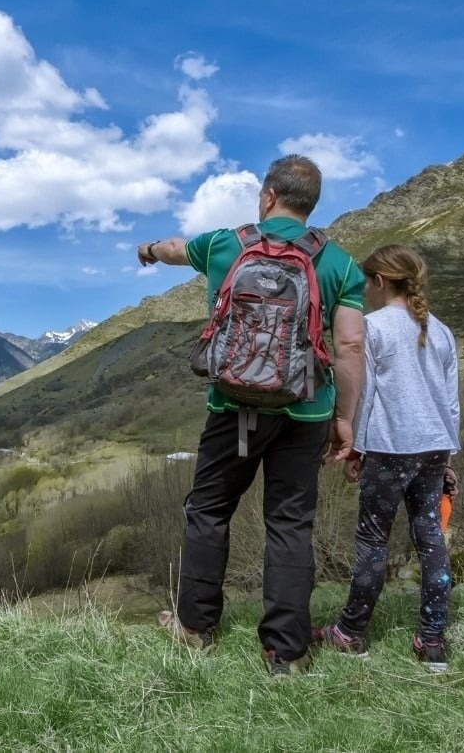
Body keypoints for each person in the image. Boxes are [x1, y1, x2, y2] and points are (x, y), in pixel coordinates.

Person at [141, 155, 366, 676]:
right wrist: (344, 418)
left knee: (209, 510)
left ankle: (195, 628)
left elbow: (174, 248)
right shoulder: (339, 264)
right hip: (305, 412)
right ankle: (285, 652)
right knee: (290, 522)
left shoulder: (225, 244)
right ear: (311, 205)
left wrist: (149, 251)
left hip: (233, 409)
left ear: (268, 195)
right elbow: (351, 347)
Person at [312, 244, 460, 672]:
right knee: (430, 538)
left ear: (379, 281)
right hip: (434, 448)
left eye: (366, 283)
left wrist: (354, 447)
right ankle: (432, 640)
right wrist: (449, 457)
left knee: (373, 541)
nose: (364, 291)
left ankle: (351, 633)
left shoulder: (371, 327)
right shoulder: (441, 331)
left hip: (390, 447)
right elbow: (451, 402)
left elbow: (366, 393)